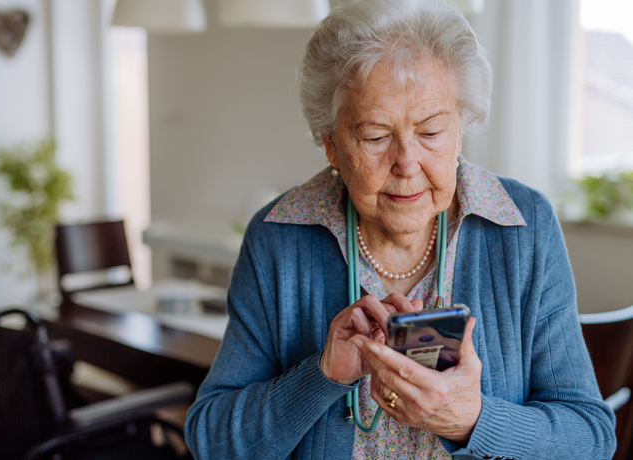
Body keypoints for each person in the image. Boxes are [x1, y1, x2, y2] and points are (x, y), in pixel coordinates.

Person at [184, 0, 617, 458]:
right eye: (374, 136)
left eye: (431, 131)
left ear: (461, 127)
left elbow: (590, 438)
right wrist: (321, 375)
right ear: (331, 144)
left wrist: (472, 421)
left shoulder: (522, 226)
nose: (407, 164)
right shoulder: (280, 237)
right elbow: (211, 440)